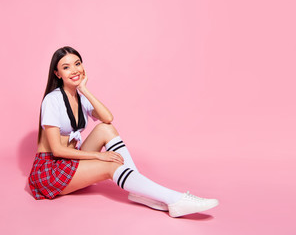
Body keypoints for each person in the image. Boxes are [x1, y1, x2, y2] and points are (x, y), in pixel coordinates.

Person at [28, 46, 219, 217]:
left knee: (105, 129)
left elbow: (108, 118)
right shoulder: (52, 100)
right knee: (110, 166)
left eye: (77, 63)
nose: (74, 69)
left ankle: (138, 190)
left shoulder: (79, 96)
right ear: (57, 73)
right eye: (66, 67)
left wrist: (84, 90)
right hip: (50, 170)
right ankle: (176, 200)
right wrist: (98, 156)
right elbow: (57, 151)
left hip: (69, 163)